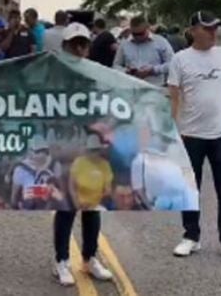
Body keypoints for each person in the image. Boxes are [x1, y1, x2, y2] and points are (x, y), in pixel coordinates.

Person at [168, 11, 221, 265]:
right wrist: (171, 132)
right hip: (190, 134)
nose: (214, 32)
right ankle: (191, 235)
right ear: (193, 31)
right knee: (190, 189)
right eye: (208, 28)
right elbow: (174, 97)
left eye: (216, 28)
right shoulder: (180, 59)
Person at [52, 22, 114, 286]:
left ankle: (89, 258)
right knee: (66, 206)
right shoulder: (54, 76)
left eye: (83, 44)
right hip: (65, 149)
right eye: (73, 44)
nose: (79, 49)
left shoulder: (98, 75)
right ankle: (61, 260)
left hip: (92, 150)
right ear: (65, 47)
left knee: (92, 205)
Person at [113, 16, 174, 87]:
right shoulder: (125, 44)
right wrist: (127, 71)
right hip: (131, 87)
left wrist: (153, 70)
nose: (138, 37)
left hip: (154, 88)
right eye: (134, 34)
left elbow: (172, 64)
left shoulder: (160, 42)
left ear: (147, 29)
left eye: (141, 34)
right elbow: (116, 65)